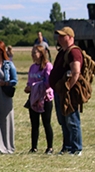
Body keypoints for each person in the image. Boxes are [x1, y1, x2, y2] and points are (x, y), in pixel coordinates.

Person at [48, 26, 84, 155]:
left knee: (72, 120)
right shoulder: (63, 51)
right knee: (63, 120)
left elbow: (76, 72)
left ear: (70, 37)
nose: (59, 38)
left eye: (62, 36)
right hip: (60, 91)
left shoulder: (74, 52)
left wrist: (68, 89)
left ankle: (76, 148)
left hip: (69, 92)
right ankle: (67, 147)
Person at [24, 44, 54, 154]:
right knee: (34, 124)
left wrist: (35, 86)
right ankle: (34, 147)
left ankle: (50, 147)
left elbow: (48, 83)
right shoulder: (32, 67)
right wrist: (28, 87)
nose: (32, 55)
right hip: (34, 98)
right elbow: (29, 81)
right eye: (32, 52)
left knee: (46, 123)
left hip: (45, 98)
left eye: (34, 52)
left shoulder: (48, 66)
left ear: (41, 54)